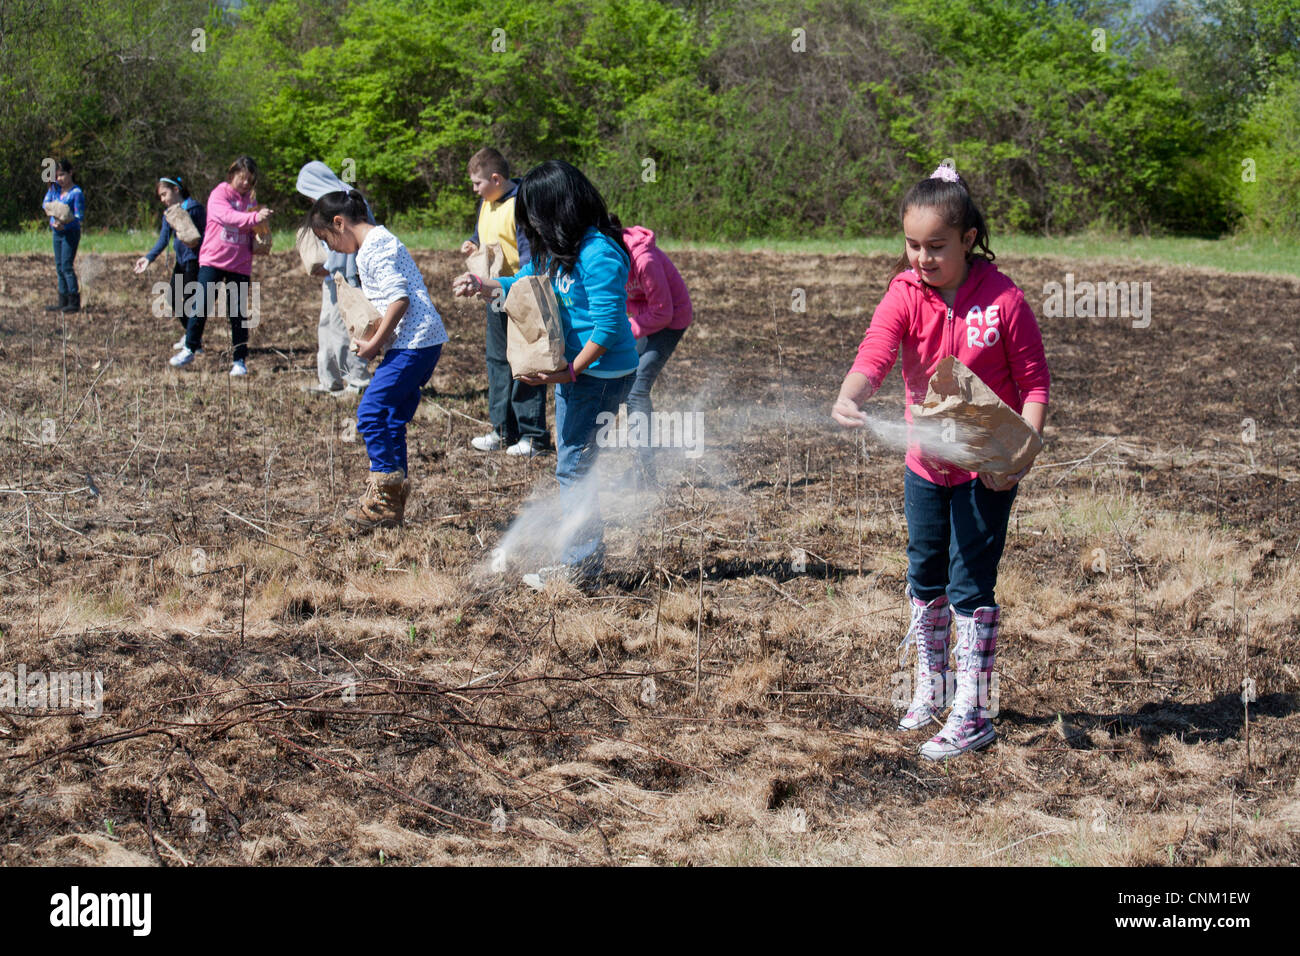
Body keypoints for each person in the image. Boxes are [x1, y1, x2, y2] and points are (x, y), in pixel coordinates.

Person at [831, 162, 1050, 761]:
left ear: (968, 239)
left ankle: (974, 713)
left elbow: (1034, 383)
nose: (921, 258)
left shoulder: (1004, 299)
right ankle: (935, 689)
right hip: (926, 465)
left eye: (935, 246)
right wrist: (853, 394)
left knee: (968, 585)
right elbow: (875, 352)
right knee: (925, 576)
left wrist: (1021, 450)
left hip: (987, 468)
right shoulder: (903, 293)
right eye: (912, 245)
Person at [453, 160, 638, 589]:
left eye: (535, 213)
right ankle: (584, 563)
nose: (530, 222)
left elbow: (609, 329)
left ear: (558, 208)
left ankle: (581, 569)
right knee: (577, 464)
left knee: (575, 467)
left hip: (601, 374)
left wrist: (566, 375)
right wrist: (486, 287)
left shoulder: (599, 253)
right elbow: (524, 280)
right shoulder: (561, 251)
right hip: (576, 373)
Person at [308, 190, 448, 530]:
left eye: (327, 239)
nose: (330, 248)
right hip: (421, 342)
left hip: (414, 343)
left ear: (339, 223)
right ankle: (392, 503)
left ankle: (383, 496)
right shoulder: (379, 242)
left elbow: (399, 299)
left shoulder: (374, 247)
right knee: (390, 417)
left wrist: (373, 344)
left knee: (370, 412)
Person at [459, 148, 546, 457]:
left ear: (496, 178)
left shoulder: (522, 205)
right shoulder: (486, 202)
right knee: (498, 361)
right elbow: (481, 236)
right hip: (493, 292)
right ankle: (502, 430)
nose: (475, 189)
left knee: (526, 362)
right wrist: (473, 245)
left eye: (477, 183)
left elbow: (530, 257)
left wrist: (520, 291)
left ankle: (533, 436)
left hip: (522, 293)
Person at [611, 214, 693, 487]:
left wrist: (628, 329)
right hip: (644, 320)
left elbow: (663, 312)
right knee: (627, 386)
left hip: (670, 320)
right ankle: (641, 469)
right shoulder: (613, 259)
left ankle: (645, 475)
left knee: (637, 389)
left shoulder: (644, 260)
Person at [172, 156, 272, 376]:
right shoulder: (219, 194)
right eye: (242, 178)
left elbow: (252, 225)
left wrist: (260, 223)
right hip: (214, 259)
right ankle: (190, 346)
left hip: (240, 263)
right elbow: (227, 217)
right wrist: (254, 217)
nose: (245, 183)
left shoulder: (251, 201)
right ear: (232, 175)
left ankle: (239, 361)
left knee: (238, 314)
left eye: (250, 180)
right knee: (202, 304)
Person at [296, 161, 373, 397]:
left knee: (349, 329)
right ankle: (331, 381)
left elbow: (356, 238)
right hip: (333, 278)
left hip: (350, 278)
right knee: (327, 327)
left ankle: (357, 381)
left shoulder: (348, 199)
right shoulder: (326, 204)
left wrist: (337, 269)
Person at [133, 176, 207, 354]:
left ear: (176, 190)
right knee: (172, 298)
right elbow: (164, 239)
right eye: (160, 196)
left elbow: (206, 233)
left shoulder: (194, 209)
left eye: (164, 194)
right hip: (181, 262)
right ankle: (191, 336)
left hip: (195, 262)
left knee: (190, 302)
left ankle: (194, 342)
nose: (162, 199)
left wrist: (196, 243)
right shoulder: (169, 214)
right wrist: (148, 258)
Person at [42, 159, 85, 313]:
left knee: (67, 265)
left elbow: (79, 217)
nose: (59, 179)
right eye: (57, 176)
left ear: (70, 173)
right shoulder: (54, 190)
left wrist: (65, 224)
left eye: (62, 175)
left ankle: (74, 301)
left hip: (70, 233)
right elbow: (45, 204)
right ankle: (63, 300)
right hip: (57, 232)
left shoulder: (76, 193)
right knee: (59, 267)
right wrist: (54, 220)